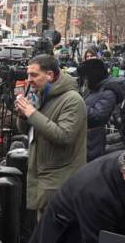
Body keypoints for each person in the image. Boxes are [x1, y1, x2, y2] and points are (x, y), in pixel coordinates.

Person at [15, 54, 87, 216]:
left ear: (50, 75)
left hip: (60, 181)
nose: (29, 80)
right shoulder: (41, 94)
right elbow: (27, 131)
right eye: (28, 75)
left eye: (34, 75)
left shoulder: (72, 100)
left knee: (54, 235)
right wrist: (22, 115)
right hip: (42, 176)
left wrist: (32, 113)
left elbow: (64, 136)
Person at [79, 58, 125, 161]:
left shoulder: (108, 92)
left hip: (93, 140)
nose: (85, 81)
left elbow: (99, 116)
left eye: (86, 77)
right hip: (86, 138)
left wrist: (78, 105)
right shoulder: (94, 89)